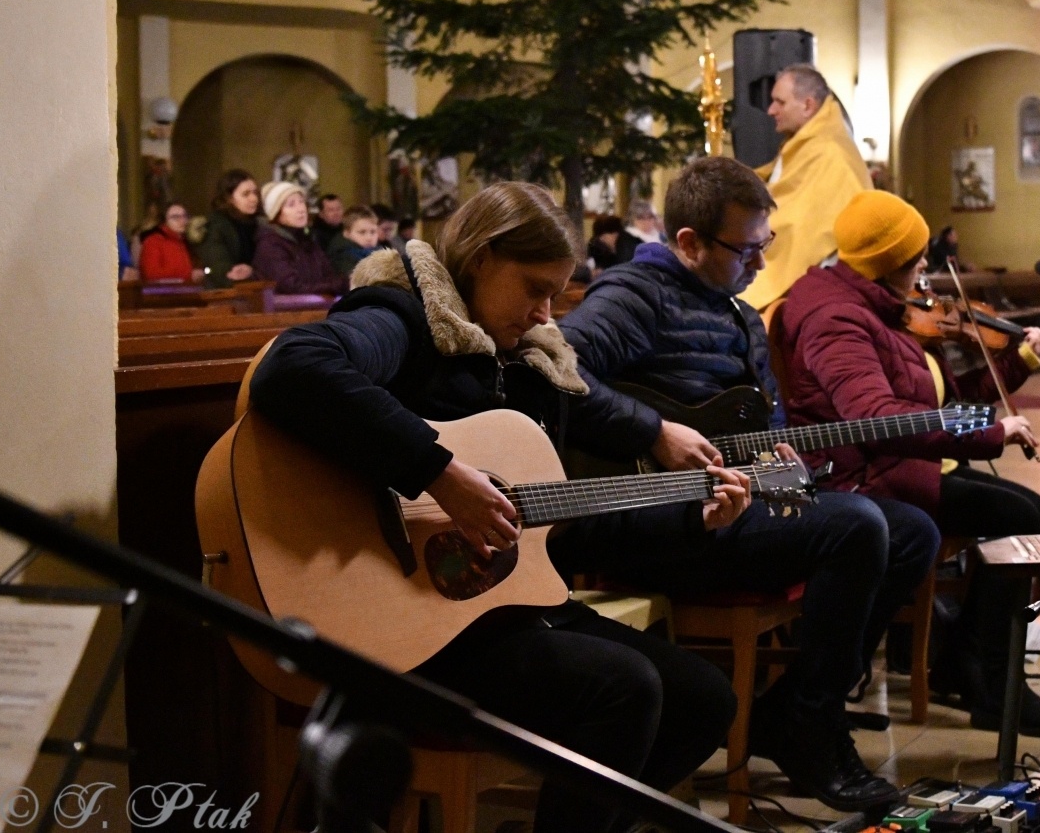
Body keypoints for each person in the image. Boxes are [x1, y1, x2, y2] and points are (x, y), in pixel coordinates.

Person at [248, 182, 739, 833]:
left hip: (505, 609)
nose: (544, 313)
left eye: (556, 293)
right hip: (410, 620)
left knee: (705, 698)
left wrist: (691, 517)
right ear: (480, 257)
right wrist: (439, 470)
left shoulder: (533, 362)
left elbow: (560, 531)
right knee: (623, 686)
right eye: (534, 287)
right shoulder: (404, 316)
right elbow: (292, 367)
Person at [558, 157, 939, 813]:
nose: (761, 264)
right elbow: (558, 371)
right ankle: (814, 728)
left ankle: (795, 710)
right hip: (657, 514)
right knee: (857, 527)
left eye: (764, 245)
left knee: (910, 530)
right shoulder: (634, 295)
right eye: (747, 250)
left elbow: (761, 422)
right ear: (689, 243)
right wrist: (652, 430)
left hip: (732, 496)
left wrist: (782, 459)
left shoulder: (737, 313)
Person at [779, 190, 1040, 737]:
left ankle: (968, 664)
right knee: (1021, 515)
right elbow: (876, 415)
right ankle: (984, 677)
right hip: (867, 478)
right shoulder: (836, 319)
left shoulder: (889, 309)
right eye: (916, 255)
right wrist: (989, 433)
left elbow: (944, 400)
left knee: (1026, 508)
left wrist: (1020, 361)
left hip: (908, 463)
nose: (925, 265)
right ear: (887, 261)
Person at [740, 64, 872, 311]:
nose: (771, 110)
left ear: (808, 105)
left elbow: (797, 228)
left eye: (780, 102)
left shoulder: (830, 153)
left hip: (821, 296)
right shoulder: (806, 146)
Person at [253, 181, 346, 295]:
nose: (301, 209)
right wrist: (337, 286)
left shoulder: (308, 240)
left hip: (316, 307)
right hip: (287, 311)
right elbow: (291, 287)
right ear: (276, 213)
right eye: (291, 205)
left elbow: (329, 275)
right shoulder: (270, 246)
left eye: (301, 202)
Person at [196, 169, 261, 287]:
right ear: (229, 198)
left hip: (256, 290)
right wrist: (236, 272)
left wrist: (253, 271)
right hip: (225, 293)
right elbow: (217, 265)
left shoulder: (260, 223)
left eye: (255, 193)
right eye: (246, 194)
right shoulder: (215, 226)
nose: (254, 199)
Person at [138, 202, 201, 283]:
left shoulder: (185, 242)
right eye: (176, 217)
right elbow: (151, 274)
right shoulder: (153, 242)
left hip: (186, 291)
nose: (182, 221)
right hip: (161, 294)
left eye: (185, 216)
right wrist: (188, 274)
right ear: (164, 221)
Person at [329, 205, 382, 283]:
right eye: (362, 232)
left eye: (373, 232)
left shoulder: (382, 254)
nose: (369, 238)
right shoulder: (341, 257)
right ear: (347, 233)